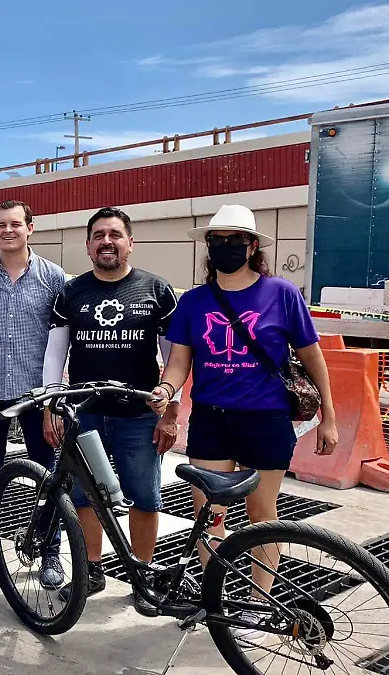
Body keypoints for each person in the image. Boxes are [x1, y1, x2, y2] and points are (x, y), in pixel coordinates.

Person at [153, 204, 338, 604]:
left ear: (253, 245)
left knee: (262, 516)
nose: (225, 247)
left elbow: (313, 358)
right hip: (210, 421)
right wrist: (166, 392)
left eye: (235, 240)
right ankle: (217, 601)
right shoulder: (194, 302)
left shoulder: (282, 294)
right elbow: (179, 362)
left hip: (266, 421)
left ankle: (258, 603)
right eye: (217, 241)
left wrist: (329, 418)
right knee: (210, 517)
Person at [42, 206, 180, 616]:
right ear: (87, 246)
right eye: (99, 235)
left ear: (130, 242)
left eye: (115, 234)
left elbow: (176, 359)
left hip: (139, 416)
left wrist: (172, 411)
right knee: (85, 498)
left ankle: (141, 575)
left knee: (144, 497)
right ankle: (91, 571)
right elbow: (55, 354)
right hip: (85, 414)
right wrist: (52, 405)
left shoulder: (157, 290)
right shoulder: (70, 293)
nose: (107, 241)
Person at [0, 200, 66, 586]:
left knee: (46, 472)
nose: (8, 230)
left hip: (38, 395)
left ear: (30, 229)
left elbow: (61, 336)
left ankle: (50, 552)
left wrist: (55, 394)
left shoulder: (54, 278)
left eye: (16, 224)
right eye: (1, 224)